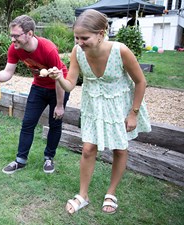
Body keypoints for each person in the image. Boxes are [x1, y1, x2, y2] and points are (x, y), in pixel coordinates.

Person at [48, 9, 151, 214]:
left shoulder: (120, 50)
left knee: (120, 149)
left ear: (101, 33)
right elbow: (70, 85)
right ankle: (83, 195)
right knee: (88, 149)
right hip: (93, 105)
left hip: (119, 104)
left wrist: (134, 113)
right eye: (76, 37)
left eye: (84, 38)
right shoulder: (77, 52)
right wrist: (59, 77)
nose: (79, 42)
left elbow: (141, 82)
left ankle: (111, 193)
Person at [0, 15, 69, 174]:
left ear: (29, 34)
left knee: (55, 123)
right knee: (28, 123)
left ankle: (49, 157)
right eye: (11, 35)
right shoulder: (15, 49)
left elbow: (59, 79)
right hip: (38, 87)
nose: (13, 39)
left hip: (58, 87)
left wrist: (60, 105)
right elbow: (8, 73)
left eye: (16, 36)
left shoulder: (48, 49)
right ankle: (20, 160)